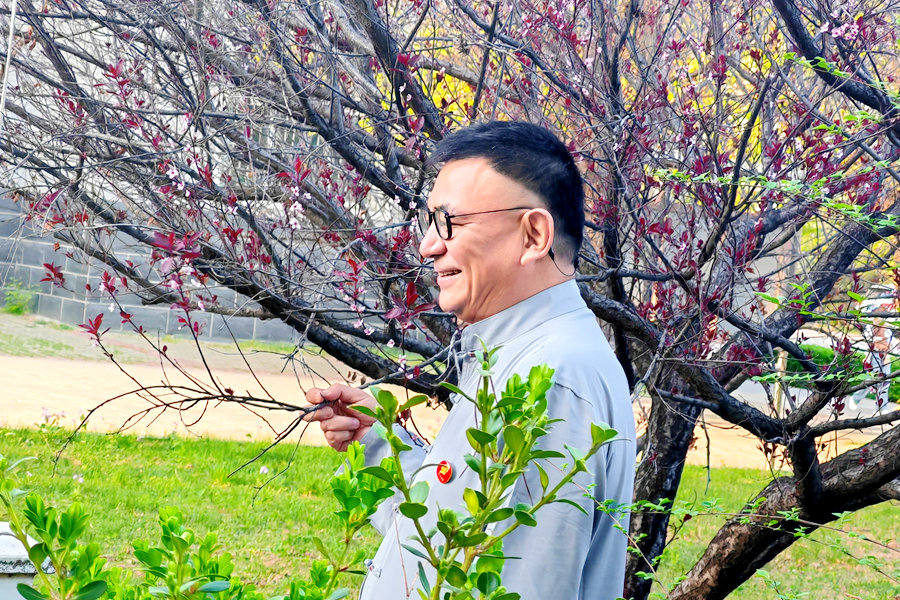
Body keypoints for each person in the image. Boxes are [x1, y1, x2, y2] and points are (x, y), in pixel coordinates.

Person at [306, 121, 635, 600]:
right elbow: (457, 542)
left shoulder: (554, 380)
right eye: (429, 222)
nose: (428, 245)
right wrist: (380, 442)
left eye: (450, 222)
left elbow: (511, 589)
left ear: (534, 235)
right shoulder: (521, 356)